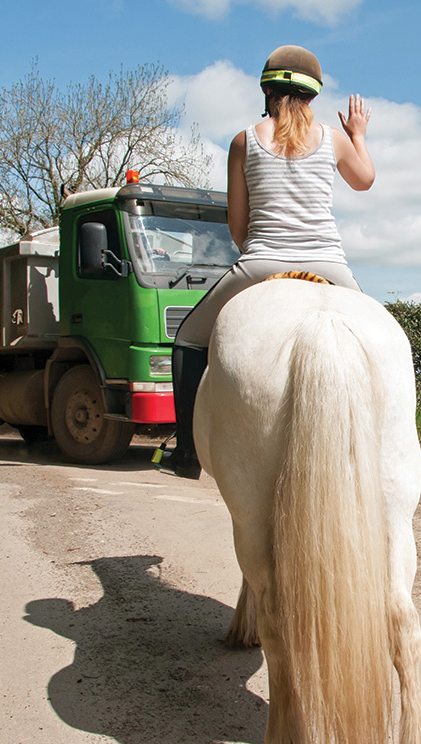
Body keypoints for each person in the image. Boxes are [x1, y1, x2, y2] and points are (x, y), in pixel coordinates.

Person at [155, 45, 375, 478]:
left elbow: (238, 228)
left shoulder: (244, 141)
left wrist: (261, 252)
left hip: (260, 263)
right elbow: (365, 180)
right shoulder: (333, 139)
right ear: (312, 97)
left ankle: (186, 451)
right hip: (330, 266)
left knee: (188, 339)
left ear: (267, 91)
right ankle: (374, 446)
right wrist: (359, 135)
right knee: (375, 343)